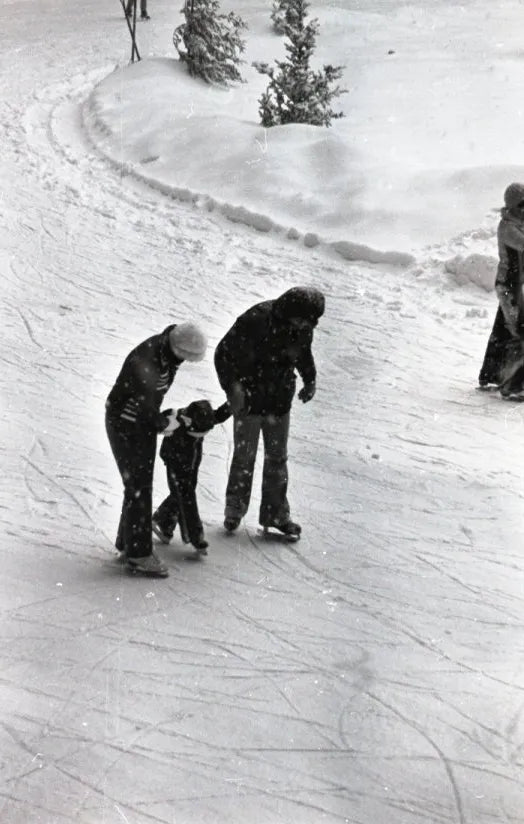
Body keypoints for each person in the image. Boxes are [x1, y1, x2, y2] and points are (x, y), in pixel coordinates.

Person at [214, 286, 325, 538]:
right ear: (291, 312)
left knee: (277, 458)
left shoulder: (303, 327)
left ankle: (276, 515)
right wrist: (233, 388)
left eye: (312, 321)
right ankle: (234, 509)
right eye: (305, 319)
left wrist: (310, 380)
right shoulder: (255, 320)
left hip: (279, 400)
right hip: (249, 400)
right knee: (244, 456)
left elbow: (303, 353)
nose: (308, 325)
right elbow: (223, 354)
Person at [105, 322, 207, 577]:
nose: (185, 362)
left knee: (138, 484)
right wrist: (163, 423)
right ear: (179, 349)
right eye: (186, 357)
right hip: (126, 422)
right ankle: (139, 554)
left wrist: (160, 421)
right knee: (138, 485)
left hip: (141, 423)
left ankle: (128, 543)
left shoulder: (167, 354)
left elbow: (150, 401)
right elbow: (143, 402)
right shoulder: (149, 358)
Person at [152, 399, 231, 553]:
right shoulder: (176, 425)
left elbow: (219, 415)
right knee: (185, 495)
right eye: (196, 434)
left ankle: (163, 522)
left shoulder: (203, 419)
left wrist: (232, 404)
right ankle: (195, 536)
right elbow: (157, 424)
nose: (199, 436)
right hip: (176, 461)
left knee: (182, 492)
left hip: (191, 460)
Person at [479, 183, 524, 399]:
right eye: (522, 205)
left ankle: (491, 376)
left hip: (515, 286)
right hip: (509, 287)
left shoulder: (519, 224)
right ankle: (514, 387)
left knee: (503, 331)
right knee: (520, 332)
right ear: (513, 205)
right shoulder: (507, 228)